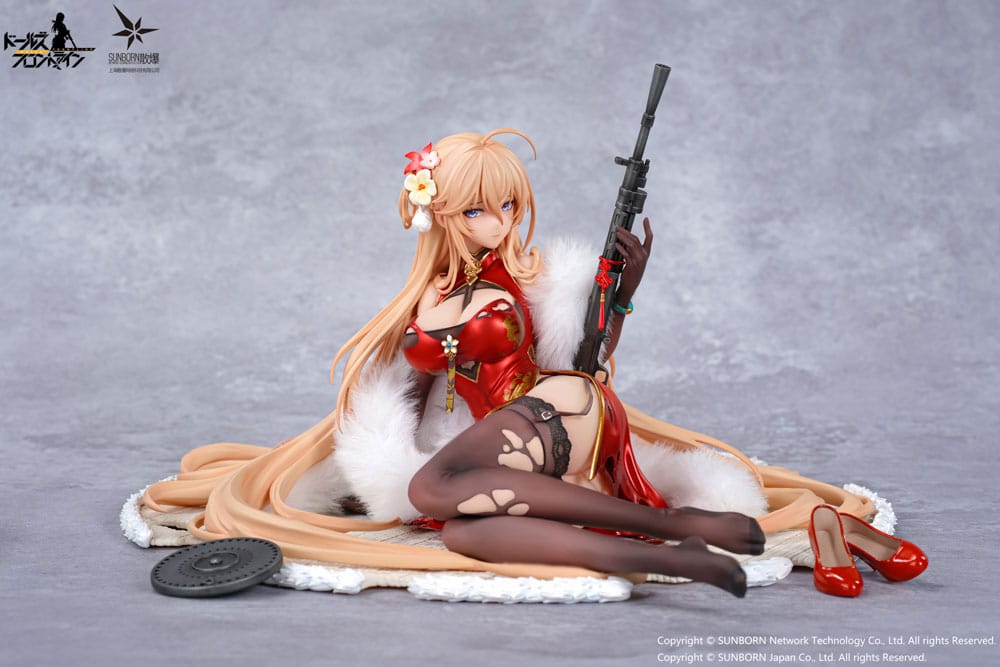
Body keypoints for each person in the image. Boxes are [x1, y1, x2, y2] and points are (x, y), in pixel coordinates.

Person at [143, 129, 873, 597]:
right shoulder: (427, 295)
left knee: (430, 487)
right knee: (462, 531)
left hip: (560, 409)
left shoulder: (525, 276)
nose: (496, 223)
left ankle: (672, 519)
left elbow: (586, 356)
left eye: (506, 207)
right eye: (475, 210)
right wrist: (366, 447)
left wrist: (619, 295)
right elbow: (407, 389)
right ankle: (675, 556)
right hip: (492, 448)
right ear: (435, 211)